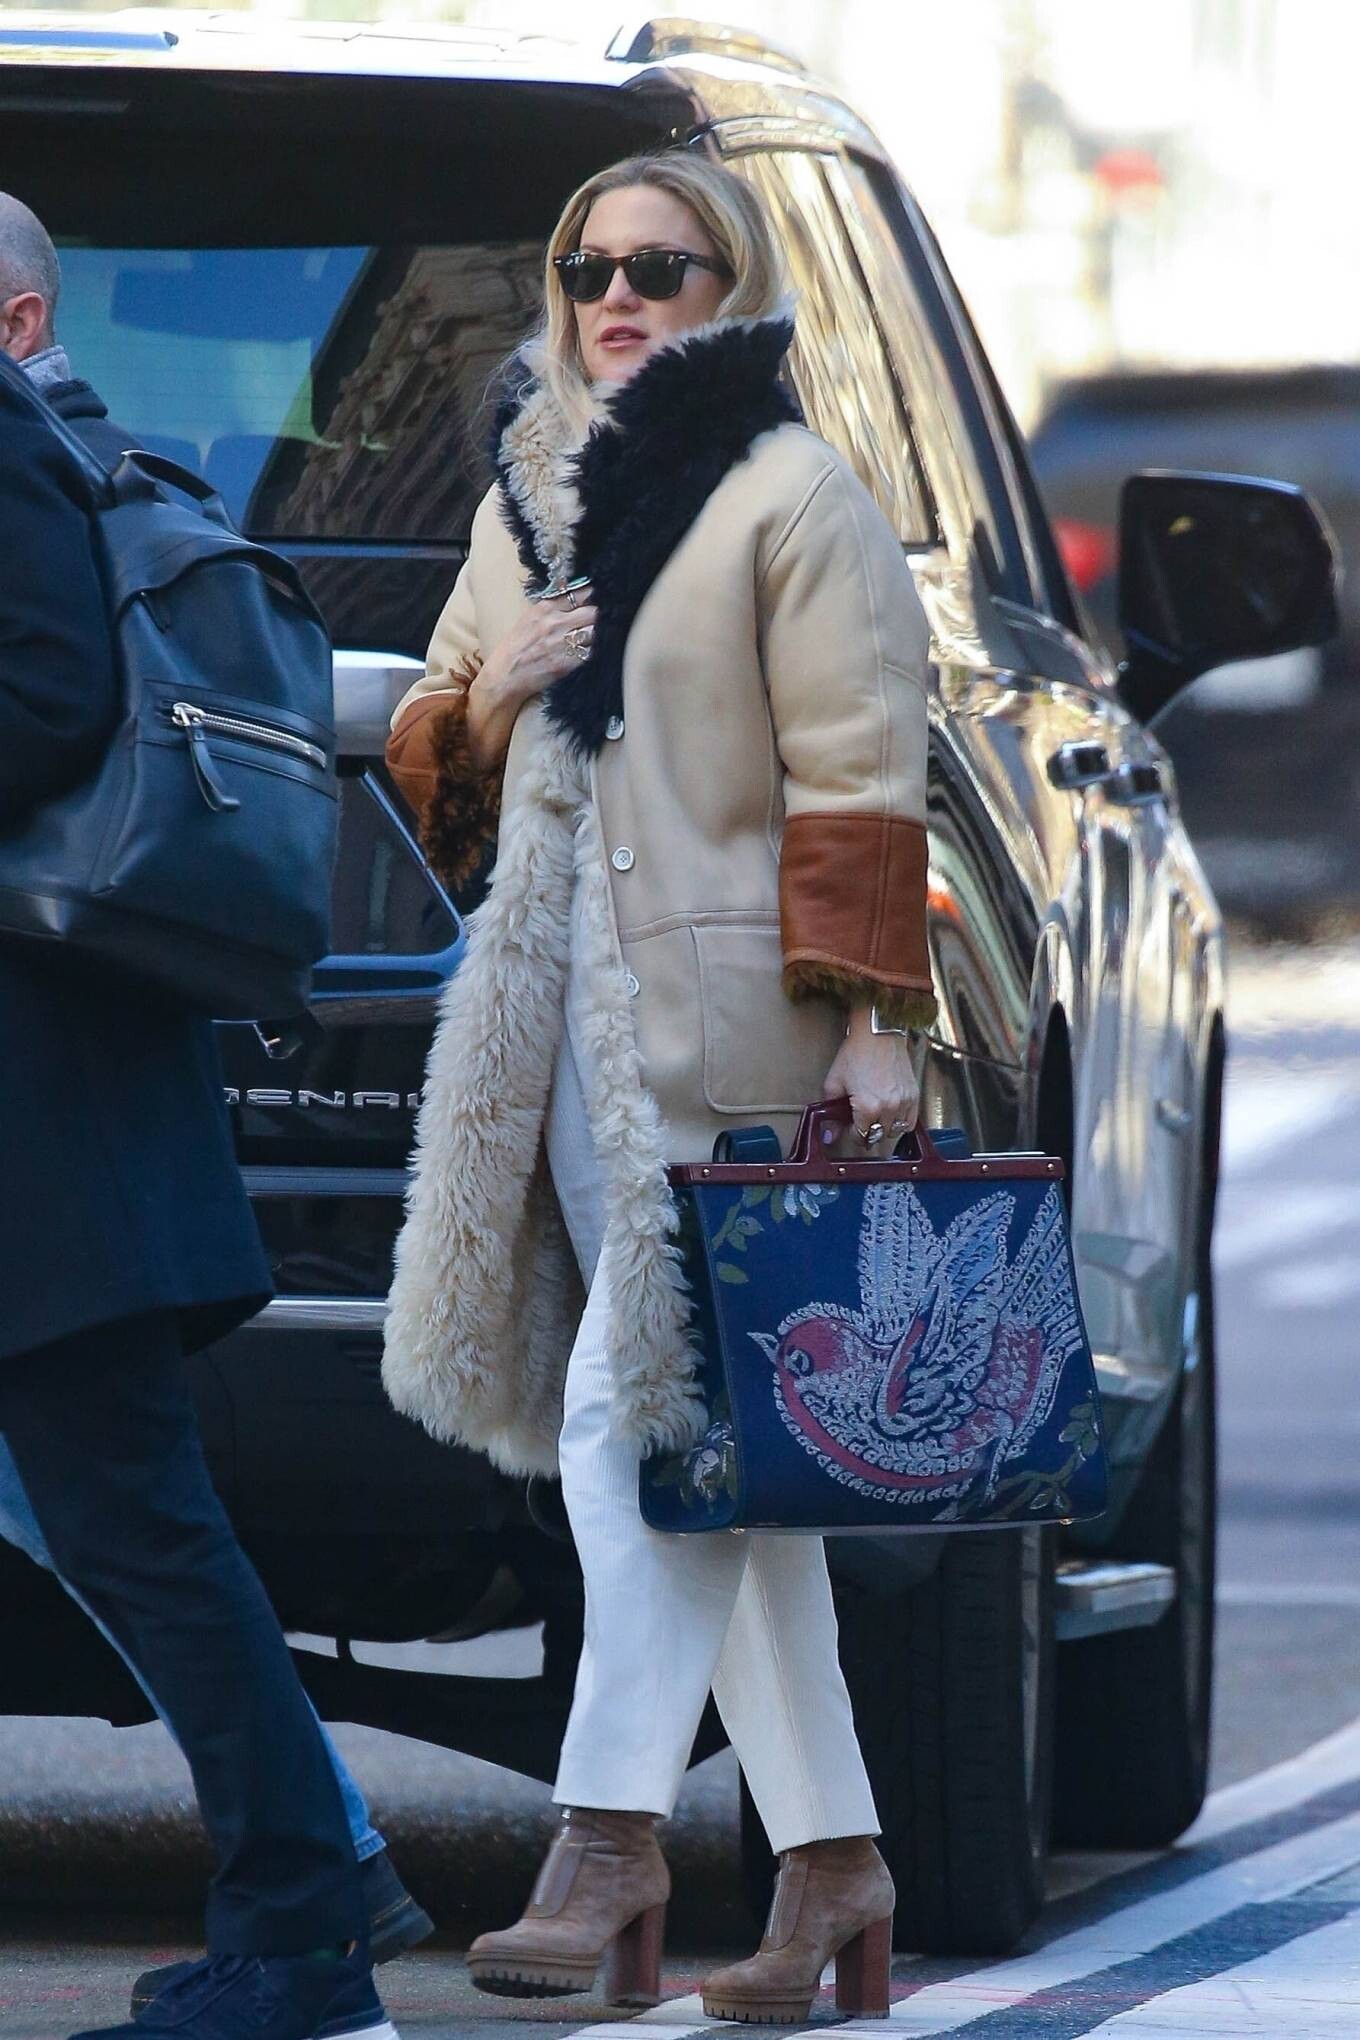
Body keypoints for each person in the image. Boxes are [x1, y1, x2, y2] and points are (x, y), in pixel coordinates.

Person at [382, 151, 936, 2025]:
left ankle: (606, 1832)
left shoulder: (790, 492)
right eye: (588, 266)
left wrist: (875, 1022)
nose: (617, 296)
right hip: (555, 1032)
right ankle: (836, 1870)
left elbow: (862, 772)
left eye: (662, 269)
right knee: (729, 1466)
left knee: (634, 1407)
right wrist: (496, 692)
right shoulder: (522, 495)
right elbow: (433, 749)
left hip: (738, 1033)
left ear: (731, 289)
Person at [0, 195, 401, 2040]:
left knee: (141, 1532)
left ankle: (309, 1921)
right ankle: (318, 1883)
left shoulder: (9, 444)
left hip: (47, 1126)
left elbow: (46, 700)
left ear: (17, 319)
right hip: (72, 1114)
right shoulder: (73, 454)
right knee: (130, 1529)